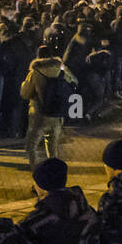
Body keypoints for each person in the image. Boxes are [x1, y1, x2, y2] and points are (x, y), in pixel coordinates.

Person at [20, 45, 77, 174]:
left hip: (39, 115)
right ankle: (54, 173)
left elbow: (25, 93)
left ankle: (37, 174)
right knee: (52, 146)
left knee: (31, 146)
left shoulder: (35, 72)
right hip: (57, 115)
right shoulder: (61, 69)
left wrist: (25, 85)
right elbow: (74, 82)